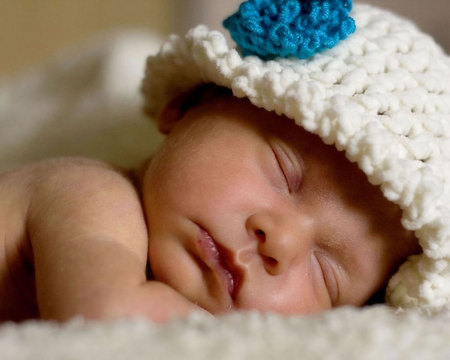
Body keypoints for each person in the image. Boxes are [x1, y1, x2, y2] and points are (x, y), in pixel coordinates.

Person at [1, 0, 449, 322]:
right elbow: (111, 326)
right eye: (284, 173)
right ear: (188, 102)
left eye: (326, 273)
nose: (281, 242)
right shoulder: (89, 194)